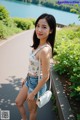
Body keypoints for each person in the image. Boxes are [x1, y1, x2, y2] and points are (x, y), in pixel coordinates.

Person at [15, 13, 56, 120]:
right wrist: (26, 77)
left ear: (51, 30)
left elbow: (46, 76)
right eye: (37, 26)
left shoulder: (45, 50)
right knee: (18, 102)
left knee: (32, 111)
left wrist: (33, 93)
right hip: (29, 79)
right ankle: (24, 118)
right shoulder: (38, 44)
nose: (39, 29)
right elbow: (33, 66)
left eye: (44, 27)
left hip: (36, 84)